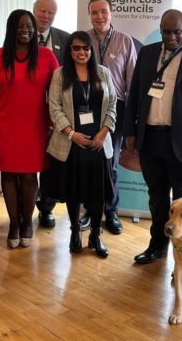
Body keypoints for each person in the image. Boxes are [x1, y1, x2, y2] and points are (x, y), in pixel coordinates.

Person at [124, 9, 182, 264]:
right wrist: (130, 131)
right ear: (161, 29)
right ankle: (157, 246)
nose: (172, 37)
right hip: (150, 138)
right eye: (167, 31)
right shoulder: (147, 52)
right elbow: (135, 95)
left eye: (177, 31)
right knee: (156, 197)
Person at [0, 9, 59, 249]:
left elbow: (57, 94)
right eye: (21, 26)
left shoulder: (46, 57)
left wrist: (55, 124)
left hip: (36, 126)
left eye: (30, 26)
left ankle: (27, 223)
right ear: (11, 29)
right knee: (9, 175)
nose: (26, 30)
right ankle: (14, 223)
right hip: (4, 125)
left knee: (29, 175)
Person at [47, 31, 116, 258]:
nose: (81, 52)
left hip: (98, 143)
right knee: (74, 192)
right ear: (70, 50)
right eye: (76, 48)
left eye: (85, 48)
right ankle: (75, 232)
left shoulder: (104, 73)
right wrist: (71, 133)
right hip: (72, 143)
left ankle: (95, 235)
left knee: (97, 193)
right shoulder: (60, 74)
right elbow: (54, 107)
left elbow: (113, 106)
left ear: (91, 50)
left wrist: (103, 133)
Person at [82, 0, 137, 235]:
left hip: (117, 108)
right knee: (88, 163)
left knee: (111, 162)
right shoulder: (83, 40)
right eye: (94, 12)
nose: (99, 16)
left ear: (111, 13)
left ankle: (111, 211)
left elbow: (132, 81)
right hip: (87, 108)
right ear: (90, 15)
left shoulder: (125, 41)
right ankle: (89, 211)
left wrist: (132, 117)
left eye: (103, 11)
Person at [32, 0, 70, 228]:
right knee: (27, 163)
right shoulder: (21, 36)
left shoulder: (64, 39)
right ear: (33, 10)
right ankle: (26, 205)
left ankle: (46, 207)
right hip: (26, 111)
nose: (46, 16)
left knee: (51, 162)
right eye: (42, 11)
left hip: (54, 112)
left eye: (51, 13)